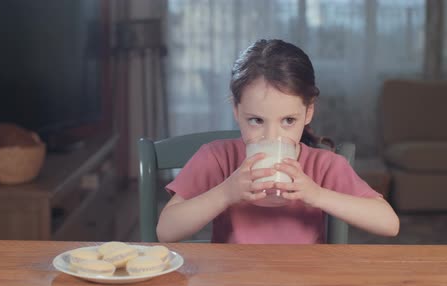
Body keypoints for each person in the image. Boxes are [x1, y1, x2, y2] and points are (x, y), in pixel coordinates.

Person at [157, 39, 399, 243]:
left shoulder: (324, 165)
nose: (271, 137)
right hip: (234, 285)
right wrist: (225, 194)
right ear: (235, 109)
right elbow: (166, 230)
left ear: (309, 112)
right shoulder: (217, 159)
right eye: (256, 120)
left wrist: (316, 194)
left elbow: (389, 223)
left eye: (288, 121)